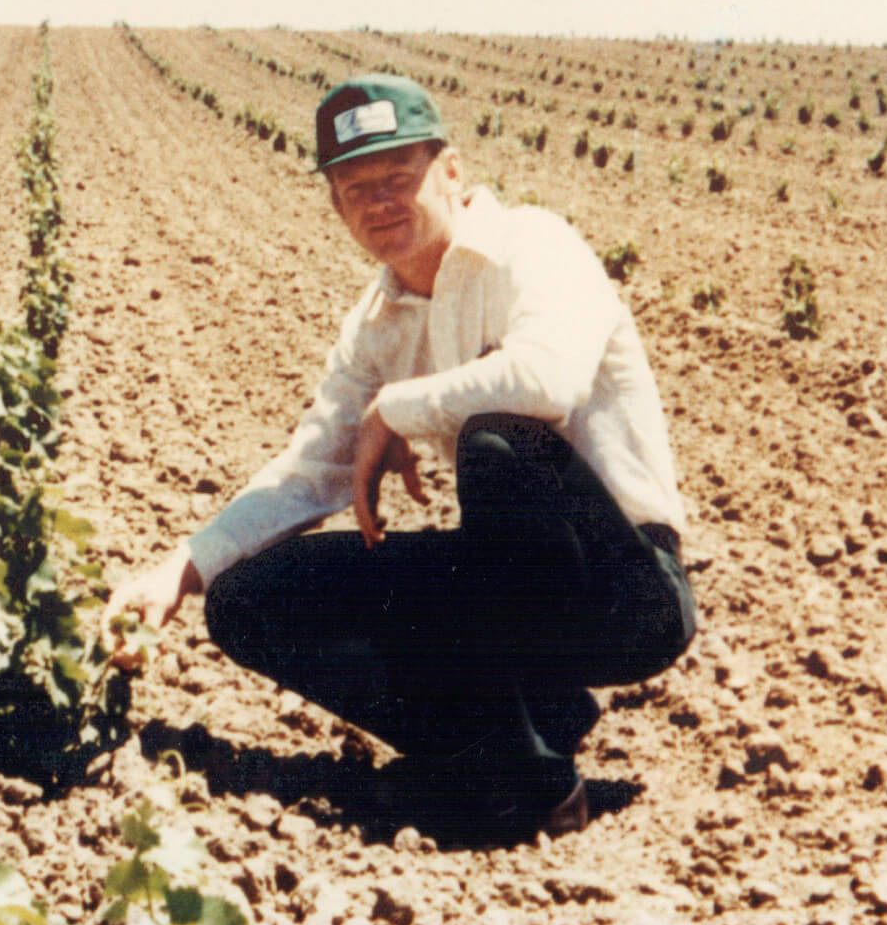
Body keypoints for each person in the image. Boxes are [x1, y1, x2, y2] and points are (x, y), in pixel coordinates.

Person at [108, 73, 695, 842]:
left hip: (623, 591)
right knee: (251, 598)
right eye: (356, 188)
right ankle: (506, 742)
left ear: (450, 172)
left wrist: (399, 407)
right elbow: (311, 468)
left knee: (498, 444)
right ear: (336, 207)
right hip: (512, 589)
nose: (380, 202)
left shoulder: (534, 245)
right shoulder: (378, 321)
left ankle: (536, 789)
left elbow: (547, 379)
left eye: (398, 178)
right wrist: (180, 568)